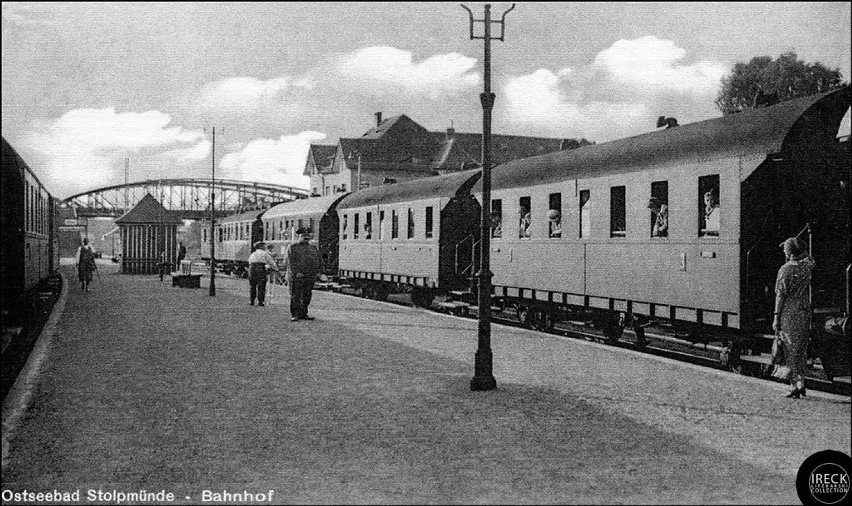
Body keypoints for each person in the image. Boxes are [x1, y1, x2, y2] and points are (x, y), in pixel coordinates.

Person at [772, 237, 815, 399]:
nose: (783, 251)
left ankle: (794, 387)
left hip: (789, 314)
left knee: (790, 351)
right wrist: (801, 249)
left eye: (785, 249)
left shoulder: (784, 270)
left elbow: (780, 296)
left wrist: (776, 317)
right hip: (804, 311)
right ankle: (801, 384)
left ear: (789, 253)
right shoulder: (806, 267)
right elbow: (811, 258)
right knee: (801, 350)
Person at [285, 227, 321, 321]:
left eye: (307, 235)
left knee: (307, 296)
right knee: (295, 296)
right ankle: (295, 314)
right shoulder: (292, 247)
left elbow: (318, 260)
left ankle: (304, 313)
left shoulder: (312, 248)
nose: (306, 237)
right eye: (303, 235)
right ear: (298, 236)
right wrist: (296, 272)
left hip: (309, 275)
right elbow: (290, 262)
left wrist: (318, 272)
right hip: (297, 276)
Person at [247, 241, 278, 307]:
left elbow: (249, 261)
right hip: (260, 269)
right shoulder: (264, 254)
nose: (265, 247)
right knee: (261, 285)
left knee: (252, 285)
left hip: (251, 269)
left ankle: (251, 300)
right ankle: (260, 301)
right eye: (264, 246)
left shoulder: (253, 254)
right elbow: (272, 262)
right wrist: (276, 269)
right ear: (261, 247)